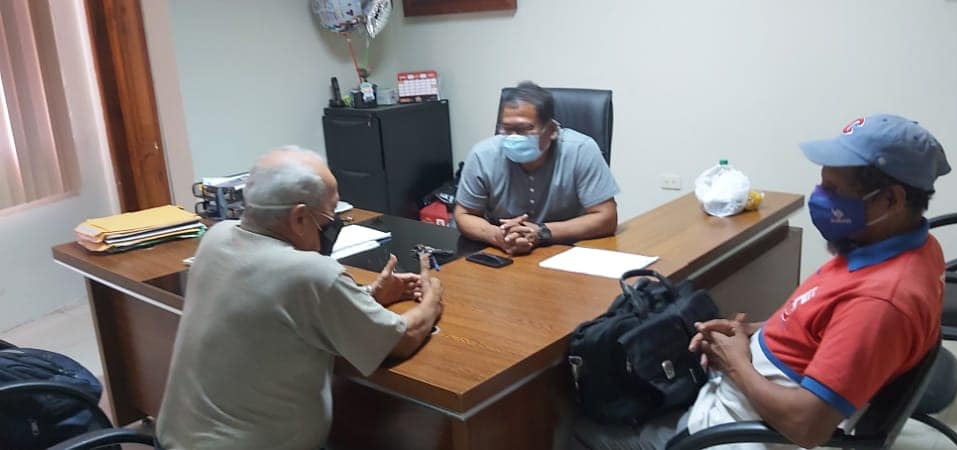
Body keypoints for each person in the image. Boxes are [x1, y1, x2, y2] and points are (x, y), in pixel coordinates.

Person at [574, 114, 951, 450]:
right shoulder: (903, 246)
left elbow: (807, 427)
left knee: (572, 430)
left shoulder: (880, 302)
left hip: (724, 432)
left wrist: (736, 363)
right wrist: (751, 332)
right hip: (737, 400)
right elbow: (823, 329)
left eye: (834, 190)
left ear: (890, 201)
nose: (820, 198)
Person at [156, 146, 444, 449]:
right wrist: (432, 299)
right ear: (300, 218)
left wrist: (371, 294)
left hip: (173, 440)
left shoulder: (216, 237)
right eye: (330, 218)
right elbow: (399, 339)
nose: (333, 228)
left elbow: (281, 305)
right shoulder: (310, 273)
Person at [454, 81, 620, 255]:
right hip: (504, 251)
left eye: (524, 129)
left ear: (552, 130)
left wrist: (542, 232)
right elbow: (464, 215)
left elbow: (607, 217)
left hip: (566, 250)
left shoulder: (581, 150)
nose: (513, 137)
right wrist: (498, 236)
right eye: (507, 129)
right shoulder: (482, 155)